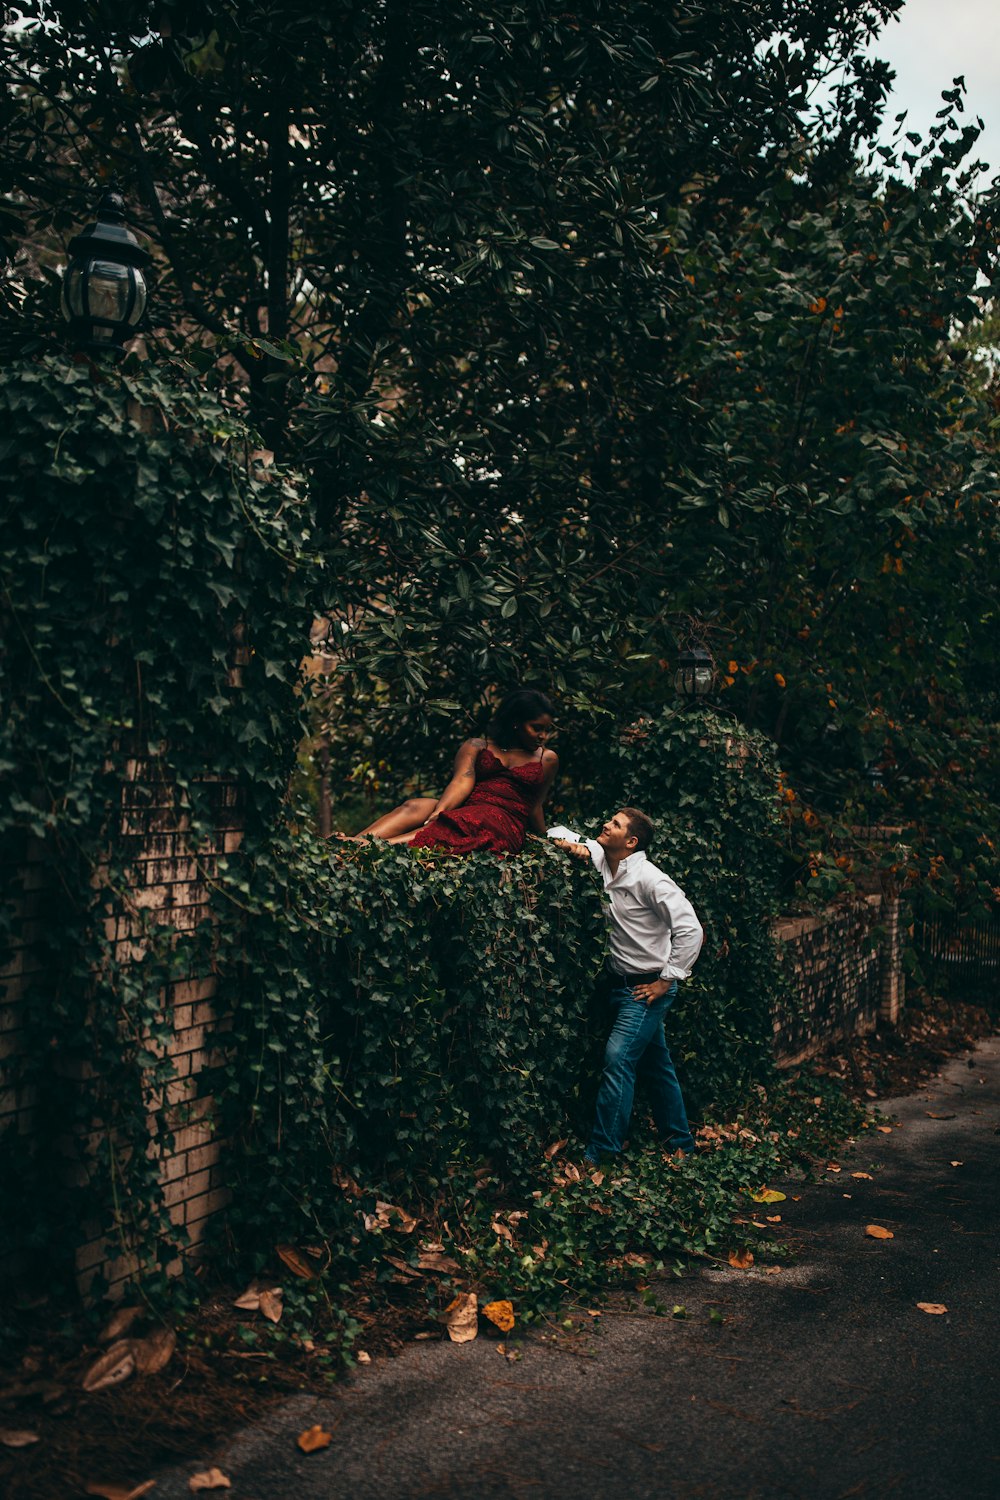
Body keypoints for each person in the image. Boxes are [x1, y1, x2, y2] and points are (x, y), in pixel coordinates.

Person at [553, 808, 703, 1164]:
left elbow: (691, 929)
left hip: (644, 991)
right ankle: (680, 1143)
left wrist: (666, 980)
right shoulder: (606, 859)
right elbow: (570, 837)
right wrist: (571, 845)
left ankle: (602, 1154)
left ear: (631, 842)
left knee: (618, 1059)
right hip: (619, 985)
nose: (606, 824)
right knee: (656, 1064)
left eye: (616, 825)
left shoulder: (651, 880)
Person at [348, 688, 558, 855]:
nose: (543, 736)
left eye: (547, 730)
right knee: (417, 805)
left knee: (472, 817)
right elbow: (461, 782)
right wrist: (440, 811)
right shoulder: (477, 745)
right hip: (470, 808)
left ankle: (372, 849)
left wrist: (545, 839)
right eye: (536, 728)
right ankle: (352, 843)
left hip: (503, 822)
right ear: (515, 723)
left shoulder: (546, 758)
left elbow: (535, 804)